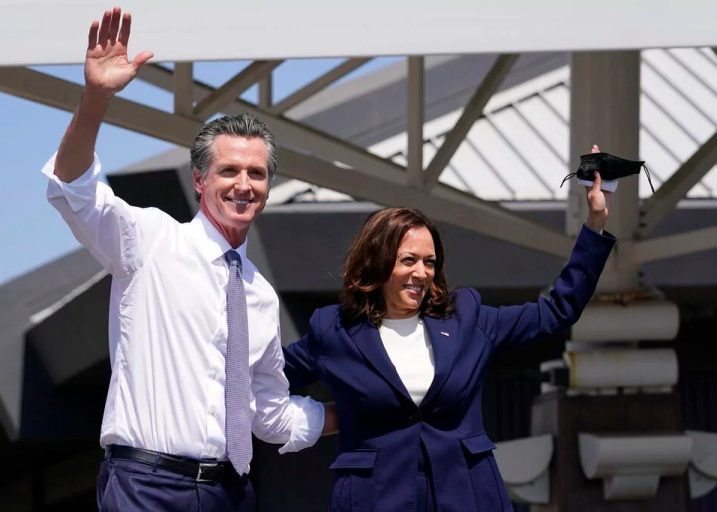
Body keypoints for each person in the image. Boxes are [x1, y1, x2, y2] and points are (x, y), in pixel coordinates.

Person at [42, 7, 331, 512]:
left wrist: (357, 407)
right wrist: (95, 99)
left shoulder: (259, 293)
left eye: (257, 174)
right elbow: (74, 191)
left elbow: (267, 413)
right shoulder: (153, 240)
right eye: (229, 170)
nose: (244, 185)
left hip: (231, 491)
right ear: (200, 180)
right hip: (146, 485)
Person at [282, 156, 615, 512]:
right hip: (373, 500)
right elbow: (263, 378)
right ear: (377, 263)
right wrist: (314, 419)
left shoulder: (467, 319)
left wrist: (593, 225)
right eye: (408, 260)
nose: (422, 272)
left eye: (430, 261)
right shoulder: (334, 331)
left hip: (467, 496)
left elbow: (557, 311)